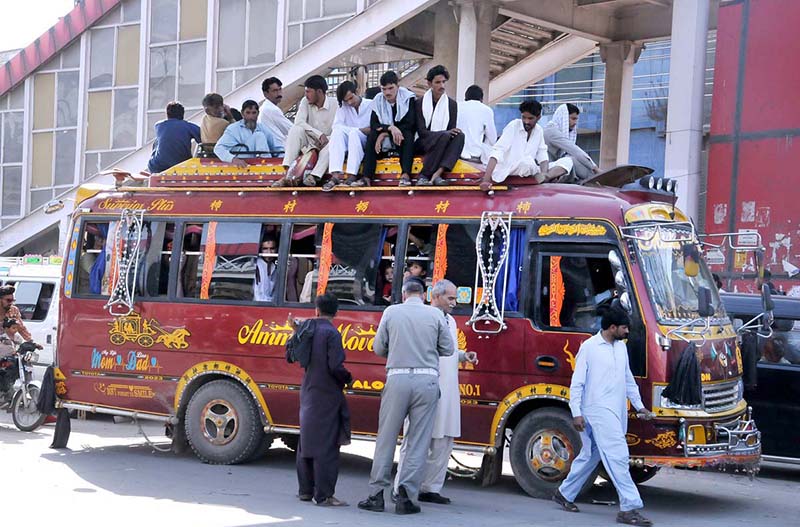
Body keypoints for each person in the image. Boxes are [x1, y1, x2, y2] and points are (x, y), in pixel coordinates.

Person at [358, 278, 454, 515]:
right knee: (417, 442)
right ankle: (406, 498)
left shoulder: (391, 312)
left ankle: (376, 495)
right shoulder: (435, 316)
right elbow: (448, 349)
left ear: (403, 293)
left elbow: (379, 348)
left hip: (398, 378)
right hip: (427, 380)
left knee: (387, 439)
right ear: (423, 295)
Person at [553, 305, 655, 527]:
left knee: (591, 455)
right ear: (612, 327)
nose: (627, 331)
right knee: (618, 456)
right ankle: (629, 508)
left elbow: (628, 379)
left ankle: (564, 493)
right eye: (624, 327)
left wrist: (640, 407)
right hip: (597, 411)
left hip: (616, 411)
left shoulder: (620, 347)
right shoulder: (589, 348)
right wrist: (576, 413)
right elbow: (577, 383)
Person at [393, 280, 478, 504]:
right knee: (415, 440)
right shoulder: (424, 317)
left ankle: (430, 488)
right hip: (426, 385)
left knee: (444, 440)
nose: (454, 303)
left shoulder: (449, 320)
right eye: (450, 298)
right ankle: (401, 488)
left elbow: (447, 349)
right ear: (436, 296)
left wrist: (463, 355)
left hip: (448, 387)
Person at [292, 292, 352, 507]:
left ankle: (305, 490)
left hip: (309, 390)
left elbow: (293, 355)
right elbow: (335, 366)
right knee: (327, 445)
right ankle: (324, 494)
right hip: (327, 393)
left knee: (306, 441)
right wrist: (347, 378)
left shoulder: (307, 328)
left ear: (316, 310)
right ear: (336, 313)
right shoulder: (332, 333)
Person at [479, 99, 563, 191]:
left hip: (531, 170)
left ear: (538, 117)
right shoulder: (513, 126)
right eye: (524, 117)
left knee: (567, 162)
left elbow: (542, 155)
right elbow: (498, 151)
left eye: (530, 118)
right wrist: (486, 180)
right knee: (527, 163)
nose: (526, 121)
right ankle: (541, 176)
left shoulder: (539, 130)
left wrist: (544, 174)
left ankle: (543, 177)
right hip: (510, 169)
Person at [275, 75, 337, 188]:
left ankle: (314, 176)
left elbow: (338, 129)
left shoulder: (335, 104)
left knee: (335, 139)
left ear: (319, 92)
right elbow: (299, 122)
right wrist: (319, 135)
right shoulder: (305, 102)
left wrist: (324, 138)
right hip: (310, 140)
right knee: (295, 130)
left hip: (328, 143)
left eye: (308, 92)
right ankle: (287, 175)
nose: (306, 95)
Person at [358, 70, 417, 188]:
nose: (387, 92)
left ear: (397, 86)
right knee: (372, 136)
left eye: (390, 88)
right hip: (387, 132)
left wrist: (386, 133)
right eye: (384, 89)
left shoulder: (407, 97)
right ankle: (366, 177)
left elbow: (411, 123)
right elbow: (374, 124)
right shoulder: (378, 100)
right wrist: (390, 128)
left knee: (408, 134)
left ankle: (405, 175)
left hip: (402, 134)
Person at [414, 65, 464, 186]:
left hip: (444, 140)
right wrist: (442, 134)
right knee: (445, 135)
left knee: (459, 136)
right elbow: (421, 132)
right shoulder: (419, 103)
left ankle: (438, 173)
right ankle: (424, 175)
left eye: (443, 82)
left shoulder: (451, 104)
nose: (442, 86)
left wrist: (447, 133)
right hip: (424, 141)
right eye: (437, 82)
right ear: (429, 84)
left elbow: (451, 129)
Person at [323, 81, 374, 191]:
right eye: (346, 100)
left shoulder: (370, 104)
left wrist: (357, 131)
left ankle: (352, 175)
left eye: (351, 98)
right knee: (337, 133)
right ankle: (335, 176)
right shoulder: (343, 107)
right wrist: (358, 130)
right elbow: (336, 127)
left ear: (357, 92)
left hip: (367, 140)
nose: (349, 102)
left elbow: (373, 128)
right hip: (351, 138)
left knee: (353, 134)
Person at [543, 103, 599, 183]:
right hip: (544, 168)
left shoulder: (558, 130)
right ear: (564, 118)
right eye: (573, 118)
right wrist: (595, 167)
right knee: (570, 160)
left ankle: (593, 178)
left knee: (574, 160)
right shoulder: (551, 131)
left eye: (576, 119)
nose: (575, 122)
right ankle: (595, 178)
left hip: (556, 166)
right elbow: (574, 150)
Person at [214, 100, 277, 168]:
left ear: (258, 113)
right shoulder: (233, 129)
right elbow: (218, 148)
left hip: (260, 166)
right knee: (259, 135)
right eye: (248, 113)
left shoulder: (263, 128)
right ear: (242, 113)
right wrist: (233, 159)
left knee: (259, 135)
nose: (251, 116)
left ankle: (265, 165)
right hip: (242, 165)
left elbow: (276, 147)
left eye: (254, 113)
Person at [147, 102, 201, 174]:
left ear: (167, 114)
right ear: (182, 114)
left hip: (157, 166)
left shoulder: (159, 125)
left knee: (158, 141)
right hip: (181, 165)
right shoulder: (187, 126)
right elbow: (203, 139)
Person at [457, 84, 497, 164]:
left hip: (455, 153)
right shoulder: (486, 110)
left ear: (465, 98)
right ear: (481, 99)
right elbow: (493, 138)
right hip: (475, 155)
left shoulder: (456, 106)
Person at [259, 77, 293, 150]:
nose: (279, 93)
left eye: (280, 89)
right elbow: (292, 130)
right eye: (274, 91)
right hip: (280, 152)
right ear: (265, 94)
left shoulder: (265, 108)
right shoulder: (271, 109)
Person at [254, 235, 279, 302]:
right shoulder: (256, 266)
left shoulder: (275, 266)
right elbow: (257, 295)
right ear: (260, 250)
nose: (269, 252)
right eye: (265, 249)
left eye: (272, 249)